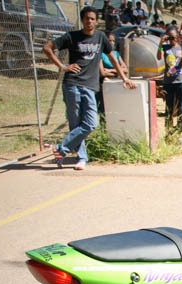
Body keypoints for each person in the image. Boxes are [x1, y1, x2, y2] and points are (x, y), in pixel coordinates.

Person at [44, 6, 136, 171]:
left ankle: (60, 150)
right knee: (75, 124)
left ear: (96, 20)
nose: (89, 21)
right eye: (86, 18)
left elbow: (112, 58)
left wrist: (124, 78)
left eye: (93, 18)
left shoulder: (100, 37)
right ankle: (81, 158)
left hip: (89, 86)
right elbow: (47, 48)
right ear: (82, 20)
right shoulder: (72, 37)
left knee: (90, 123)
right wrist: (63, 66)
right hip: (71, 84)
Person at [157, 27, 182, 127]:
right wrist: (161, 43)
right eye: (169, 37)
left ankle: (180, 127)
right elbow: (159, 56)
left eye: (173, 37)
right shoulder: (165, 48)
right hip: (168, 82)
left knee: (181, 107)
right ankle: (168, 128)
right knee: (169, 107)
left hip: (180, 81)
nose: (171, 40)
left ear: (177, 36)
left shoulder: (181, 47)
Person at [97, 32, 129, 113]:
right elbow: (103, 73)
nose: (111, 43)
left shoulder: (116, 54)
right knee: (104, 108)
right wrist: (119, 71)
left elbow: (126, 70)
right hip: (104, 84)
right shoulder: (100, 54)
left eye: (113, 41)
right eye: (109, 41)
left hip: (116, 83)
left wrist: (110, 70)